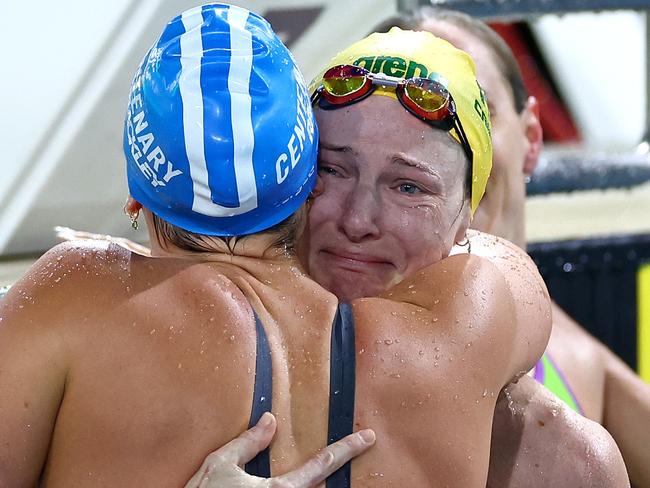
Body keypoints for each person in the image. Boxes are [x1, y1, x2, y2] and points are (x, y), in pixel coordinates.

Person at [0, 4, 560, 487]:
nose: (360, 221)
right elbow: (512, 274)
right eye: (339, 171)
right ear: (305, 182)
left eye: (407, 187)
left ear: (135, 199)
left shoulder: (74, 300)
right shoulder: (468, 327)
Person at [373, 7, 650, 487]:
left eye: (474, 110)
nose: (442, 149)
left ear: (532, 137)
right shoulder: (325, 333)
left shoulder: (580, 361)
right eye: (405, 119)